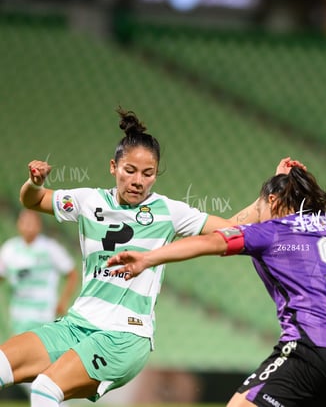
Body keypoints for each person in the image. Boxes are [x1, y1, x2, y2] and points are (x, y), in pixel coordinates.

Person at [0, 106, 303, 407]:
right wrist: (35, 182)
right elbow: (33, 200)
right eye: (129, 171)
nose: (138, 181)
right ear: (113, 167)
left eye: (148, 174)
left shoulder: (168, 212)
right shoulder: (88, 200)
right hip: (77, 325)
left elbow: (233, 228)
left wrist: (270, 192)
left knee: (44, 390)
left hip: (125, 336)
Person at [107, 166, 326, 407]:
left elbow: (211, 240)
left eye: (262, 204)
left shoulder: (270, 233)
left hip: (311, 352)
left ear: (274, 203)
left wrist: (148, 258)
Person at [0, 209, 78, 336]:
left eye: (32, 222)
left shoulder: (51, 248)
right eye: (25, 222)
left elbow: (72, 274)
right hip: (19, 315)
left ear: (39, 225)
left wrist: (63, 302)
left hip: (44, 314)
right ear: (18, 224)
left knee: (44, 354)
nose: (28, 226)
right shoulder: (9, 249)